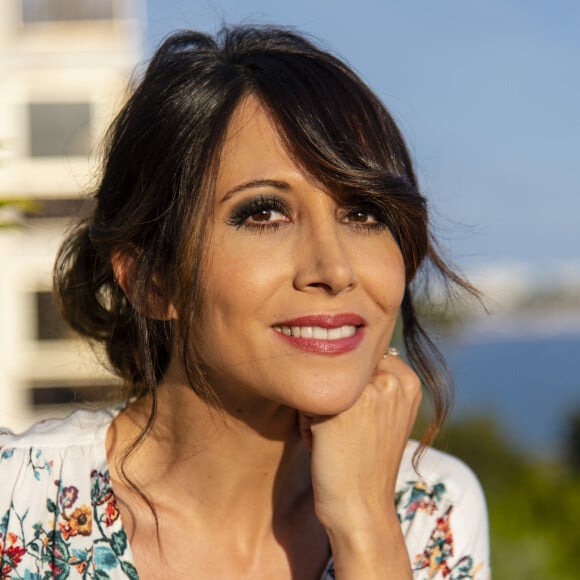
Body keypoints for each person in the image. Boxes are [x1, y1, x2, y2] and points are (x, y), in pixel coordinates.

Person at [0, 26, 489, 579]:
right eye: (263, 213)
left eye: (363, 213)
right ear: (150, 279)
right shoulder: (18, 505)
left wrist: (366, 527)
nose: (334, 269)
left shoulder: (432, 513)